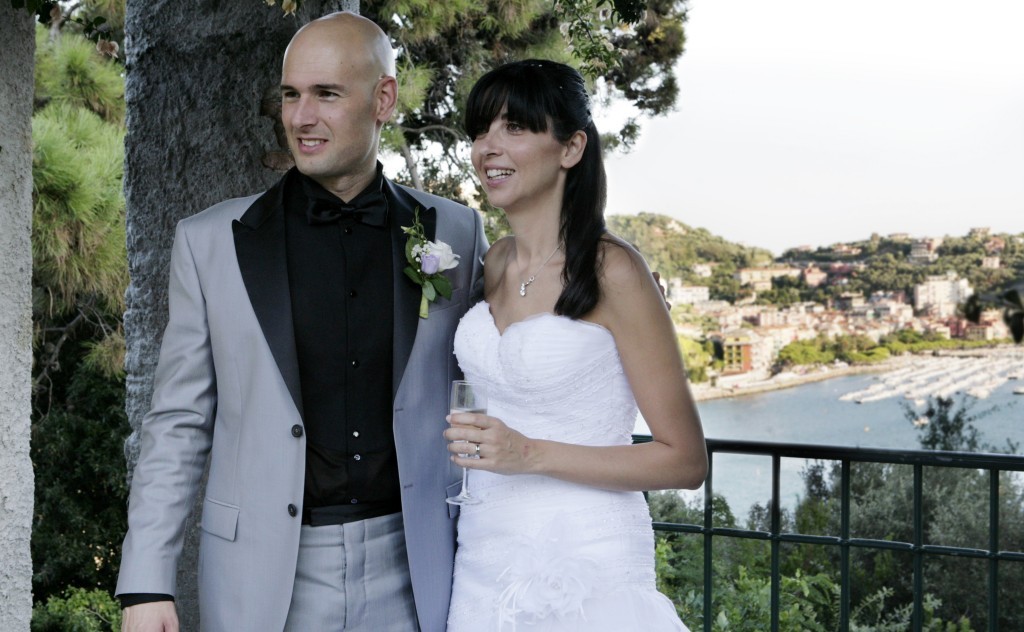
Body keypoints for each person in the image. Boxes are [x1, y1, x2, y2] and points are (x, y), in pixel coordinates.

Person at [115, 12, 486, 632]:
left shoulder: (455, 231)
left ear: (383, 99)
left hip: (419, 568)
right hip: (264, 577)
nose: (300, 117)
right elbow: (177, 422)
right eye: (291, 94)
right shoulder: (209, 242)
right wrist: (145, 583)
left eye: (327, 94)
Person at [443, 59, 708, 631]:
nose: (488, 147)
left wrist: (529, 454)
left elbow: (685, 460)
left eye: (514, 128)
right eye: (480, 131)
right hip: (483, 557)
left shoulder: (614, 271)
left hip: (586, 567)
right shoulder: (492, 263)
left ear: (571, 147)